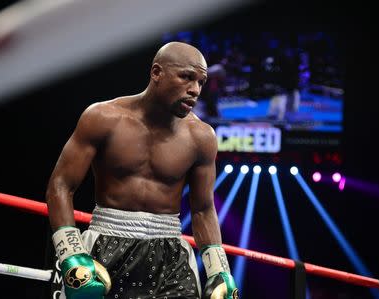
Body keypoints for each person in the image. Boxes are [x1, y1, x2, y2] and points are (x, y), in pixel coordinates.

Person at [46, 41, 239, 299]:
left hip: (171, 256)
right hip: (107, 242)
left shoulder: (201, 137)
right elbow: (60, 185)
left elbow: (203, 208)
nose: (194, 90)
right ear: (157, 73)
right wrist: (70, 253)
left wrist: (219, 270)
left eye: (201, 83)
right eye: (186, 77)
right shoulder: (103, 118)